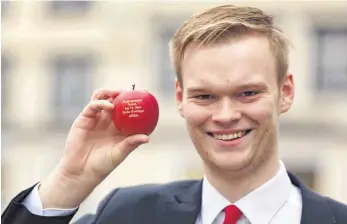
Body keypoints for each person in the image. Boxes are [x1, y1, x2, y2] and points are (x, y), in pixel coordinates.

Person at [2, 4, 347, 224]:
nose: (226, 114)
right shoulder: (128, 214)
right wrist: (69, 180)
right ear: (180, 98)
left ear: (285, 92)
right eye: (205, 96)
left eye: (247, 93)